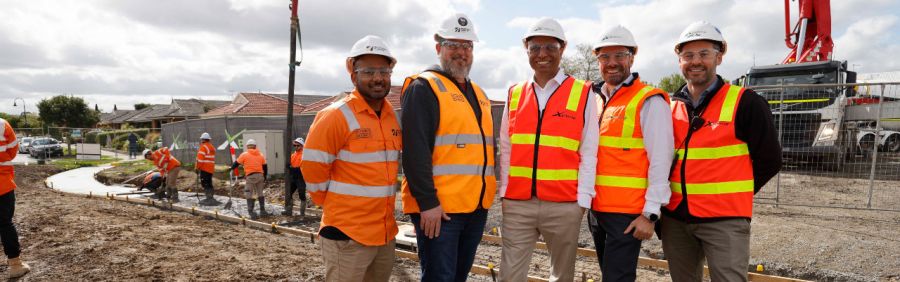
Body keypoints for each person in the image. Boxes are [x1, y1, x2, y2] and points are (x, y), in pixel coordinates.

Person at [662, 21, 782, 282]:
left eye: (704, 54)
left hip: (725, 221)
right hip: (675, 220)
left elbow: (770, 160)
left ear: (719, 56)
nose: (696, 61)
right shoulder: (670, 107)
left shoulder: (746, 103)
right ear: (679, 60)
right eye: (688, 55)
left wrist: (734, 195)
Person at [497, 17, 597, 282]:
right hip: (518, 204)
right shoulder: (514, 93)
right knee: (510, 275)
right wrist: (505, 192)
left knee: (561, 276)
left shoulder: (583, 93)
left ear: (562, 48)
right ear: (526, 50)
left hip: (564, 205)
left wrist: (582, 201)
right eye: (535, 47)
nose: (542, 54)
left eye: (550, 47)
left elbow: (589, 150)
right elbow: (506, 148)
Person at [400, 13, 495, 282]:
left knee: (457, 277)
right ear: (438, 47)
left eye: (467, 46)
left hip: (474, 209)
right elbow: (415, 152)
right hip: (439, 212)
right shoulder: (424, 87)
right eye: (453, 45)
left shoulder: (478, 93)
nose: (461, 53)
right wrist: (428, 203)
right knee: (439, 277)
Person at [301, 35, 401, 282]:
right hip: (347, 235)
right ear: (353, 74)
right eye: (368, 71)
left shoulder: (391, 117)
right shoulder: (335, 115)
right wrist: (335, 207)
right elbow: (313, 168)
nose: (378, 78)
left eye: (383, 71)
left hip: (384, 233)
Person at [587, 25, 673, 282]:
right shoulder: (595, 99)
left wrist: (650, 214)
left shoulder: (649, 100)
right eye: (604, 57)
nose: (612, 63)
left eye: (619, 55)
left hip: (627, 215)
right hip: (597, 211)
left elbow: (661, 159)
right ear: (598, 60)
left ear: (632, 58)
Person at [0, 118, 31, 278]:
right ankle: (15, 265)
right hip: (2, 184)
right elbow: (12, 151)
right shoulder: (2, 124)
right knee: (5, 223)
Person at [229, 139, 268, 219]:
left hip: (250, 176)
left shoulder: (244, 154)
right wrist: (265, 176)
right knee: (260, 193)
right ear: (255, 146)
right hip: (260, 175)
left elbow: (236, 163)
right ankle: (262, 210)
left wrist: (231, 168)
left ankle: (251, 211)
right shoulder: (260, 154)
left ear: (247, 146)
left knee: (248, 193)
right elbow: (265, 166)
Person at [282, 137, 307, 216]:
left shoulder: (304, 155)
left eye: (298, 145)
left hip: (301, 177)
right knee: (288, 193)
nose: (296, 147)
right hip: (293, 178)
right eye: (295, 145)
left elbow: (303, 167)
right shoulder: (293, 155)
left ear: (302, 146)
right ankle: (289, 210)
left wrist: (292, 169)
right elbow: (290, 166)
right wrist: (288, 167)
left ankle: (302, 213)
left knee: (302, 194)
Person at [196, 132, 219, 205]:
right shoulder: (212, 147)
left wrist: (197, 168)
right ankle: (211, 197)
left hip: (204, 168)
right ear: (209, 139)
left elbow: (200, 160)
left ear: (202, 139)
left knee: (205, 183)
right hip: (210, 168)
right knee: (209, 183)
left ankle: (208, 198)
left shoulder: (203, 147)